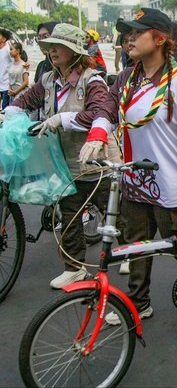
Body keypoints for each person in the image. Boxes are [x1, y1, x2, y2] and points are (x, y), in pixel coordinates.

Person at [96, 8, 177, 323]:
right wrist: (94, 131)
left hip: (170, 183)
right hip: (135, 180)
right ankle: (137, 303)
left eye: (135, 32)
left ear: (159, 38)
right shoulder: (127, 78)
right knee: (136, 245)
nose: (128, 38)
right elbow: (108, 107)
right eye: (126, 33)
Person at [6, 23, 123, 288]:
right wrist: (9, 112)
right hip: (66, 164)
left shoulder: (92, 80)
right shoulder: (48, 79)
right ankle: (75, 267)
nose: (52, 51)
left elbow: (98, 113)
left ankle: (129, 255)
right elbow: (25, 101)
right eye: (49, 47)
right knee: (69, 218)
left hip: (98, 161)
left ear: (74, 52)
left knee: (116, 215)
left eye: (58, 47)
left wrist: (63, 118)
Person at [0, 28, 13, 109]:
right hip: (0, 82)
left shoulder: (8, 49)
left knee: (5, 107)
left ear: (4, 39)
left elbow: (16, 60)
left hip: (6, 83)